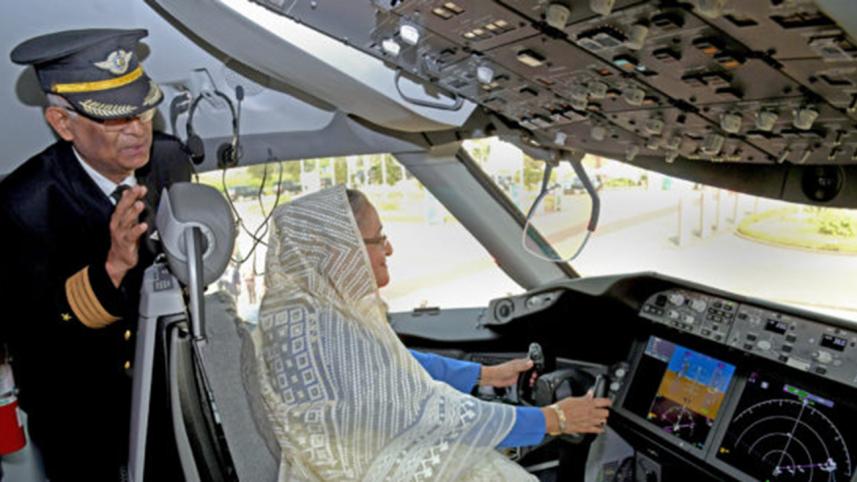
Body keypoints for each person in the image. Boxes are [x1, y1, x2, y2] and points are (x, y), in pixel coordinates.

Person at [254, 185, 610, 481]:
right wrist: (555, 418)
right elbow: (434, 414)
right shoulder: (327, 332)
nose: (389, 249)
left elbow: (393, 365)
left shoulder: (305, 316)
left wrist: (485, 374)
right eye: (379, 239)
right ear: (339, 251)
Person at [0, 29, 191, 481]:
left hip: (163, 392)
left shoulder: (169, 162)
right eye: (114, 119)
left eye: (144, 110)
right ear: (63, 124)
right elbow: (30, 333)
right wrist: (111, 268)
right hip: (75, 414)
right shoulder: (23, 205)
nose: (138, 130)